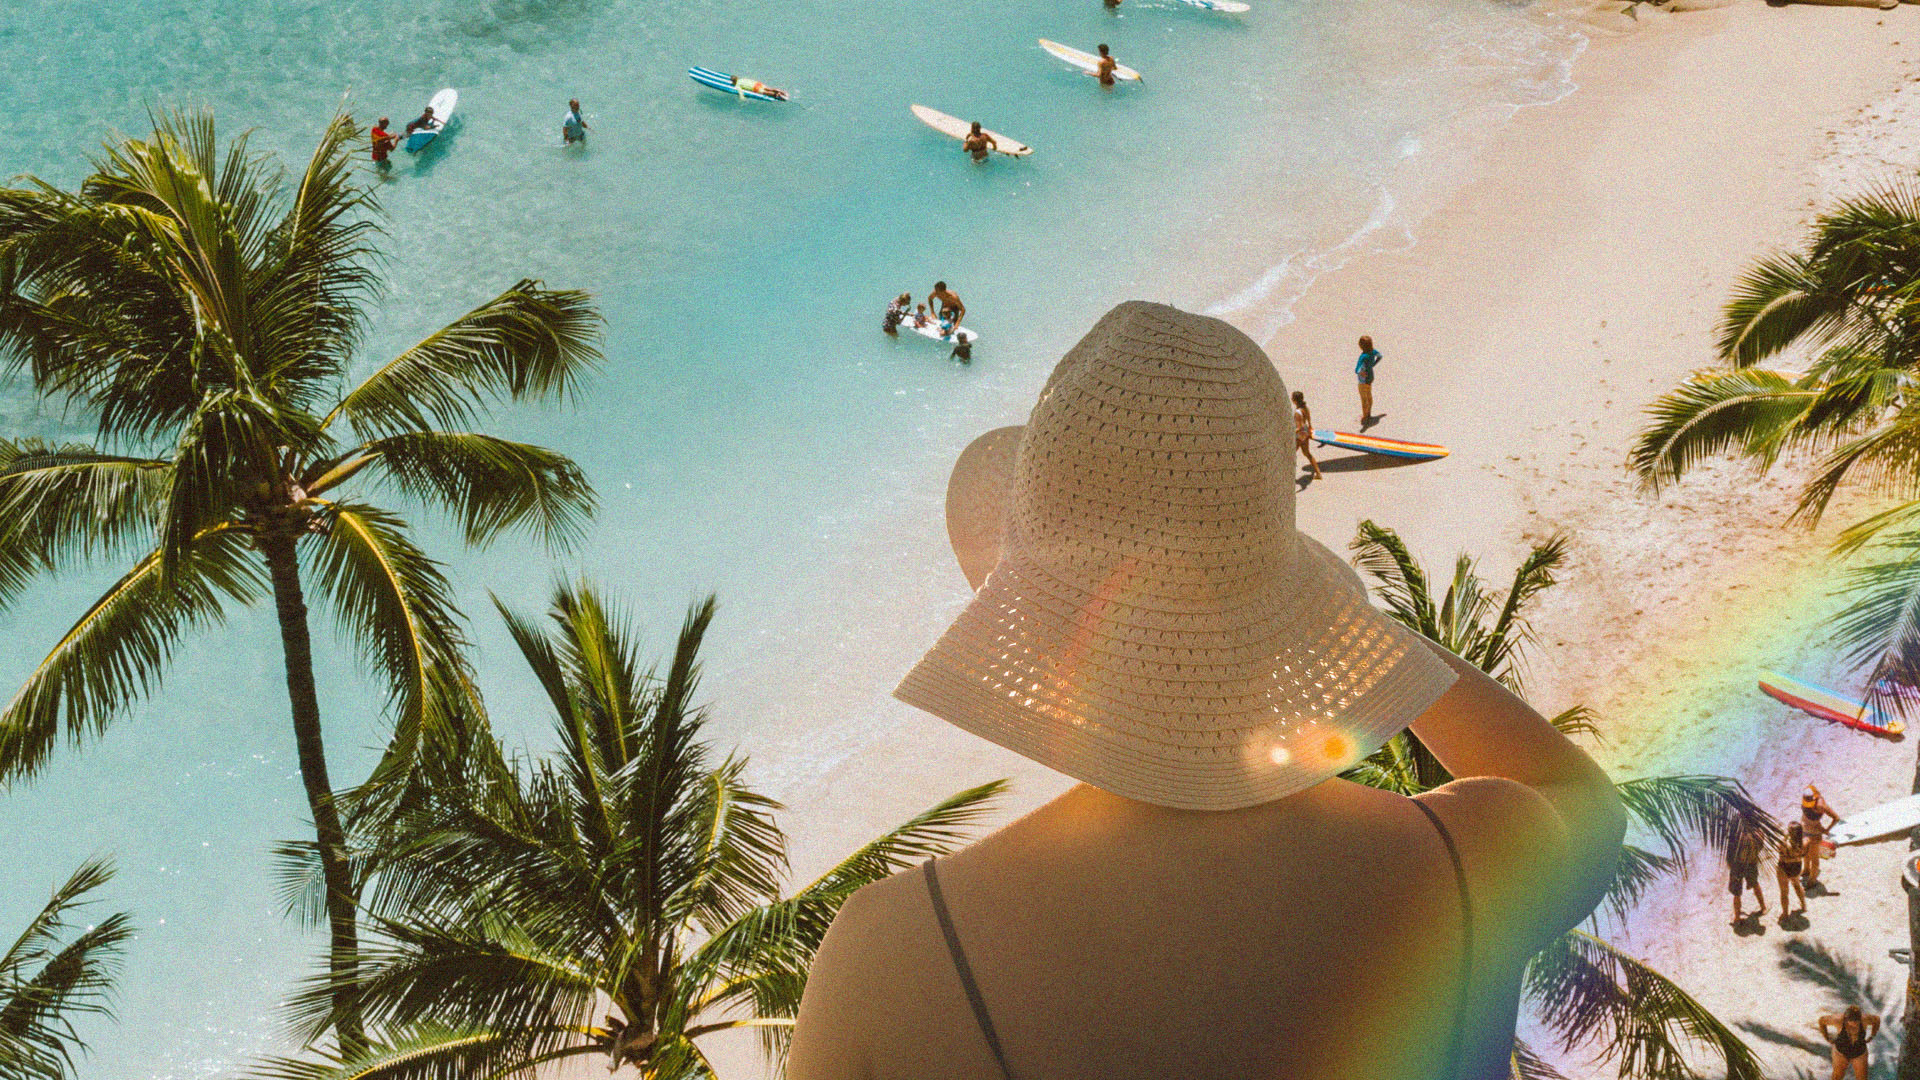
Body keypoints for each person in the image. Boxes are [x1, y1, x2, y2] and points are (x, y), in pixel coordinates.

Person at [786, 301, 1626, 1080]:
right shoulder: (1472, 859)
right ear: (1293, 611)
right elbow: (1582, 798)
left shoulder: (895, 957)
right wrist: (1343, 629)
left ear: (1034, 618)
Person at [1818, 1005, 1878, 1080]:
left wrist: (1872, 1035)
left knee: (1862, 1078)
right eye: (1851, 1021)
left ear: (1860, 1018)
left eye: (1856, 1021)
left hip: (1859, 1053)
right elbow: (1821, 1020)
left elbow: (1877, 1020)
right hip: (1840, 1053)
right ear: (1846, 1019)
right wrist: (1826, 1037)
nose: (1854, 1023)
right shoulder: (1837, 1019)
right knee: (1837, 1077)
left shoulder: (1865, 1019)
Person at [1801, 785, 1840, 890]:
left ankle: (1812, 880)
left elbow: (1836, 818)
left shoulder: (1821, 806)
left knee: (1814, 858)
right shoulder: (1807, 795)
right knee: (1805, 854)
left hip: (1814, 834)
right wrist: (1824, 829)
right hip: (1805, 831)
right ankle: (1806, 870)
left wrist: (1827, 830)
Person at [1726, 826, 1765, 927]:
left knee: (1737, 893)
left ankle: (1737, 918)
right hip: (1751, 863)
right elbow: (1760, 847)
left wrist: (1730, 865)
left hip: (1738, 865)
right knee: (1755, 884)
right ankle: (1763, 907)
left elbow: (1730, 854)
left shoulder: (1736, 836)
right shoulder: (1758, 833)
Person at [1776, 821, 1808, 921]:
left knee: (1784, 892)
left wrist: (1785, 836)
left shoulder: (1784, 843)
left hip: (1784, 867)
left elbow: (1778, 847)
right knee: (1797, 885)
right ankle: (1803, 905)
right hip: (1796, 867)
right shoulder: (1805, 842)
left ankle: (1785, 914)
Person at [1292, 390, 1323, 480]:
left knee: (1291, 454)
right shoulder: (1305, 408)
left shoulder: (1297, 412)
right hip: (1306, 432)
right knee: (1307, 453)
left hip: (1300, 434)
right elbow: (1308, 421)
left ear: (1294, 400)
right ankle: (1318, 473)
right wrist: (1309, 430)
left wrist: (1291, 433)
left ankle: (1287, 473)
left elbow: (1299, 426)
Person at [1355, 334, 1383, 425]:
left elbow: (1357, 370)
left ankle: (1365, 416)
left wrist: (1361, 373)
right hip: (1370, 377)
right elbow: (1380, 356)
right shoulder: (1373, 352)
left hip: (1363, 380)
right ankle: (1369, 414)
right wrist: (1373, 364)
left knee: (1364, 399)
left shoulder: (1363, 356)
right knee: (1369, 396)